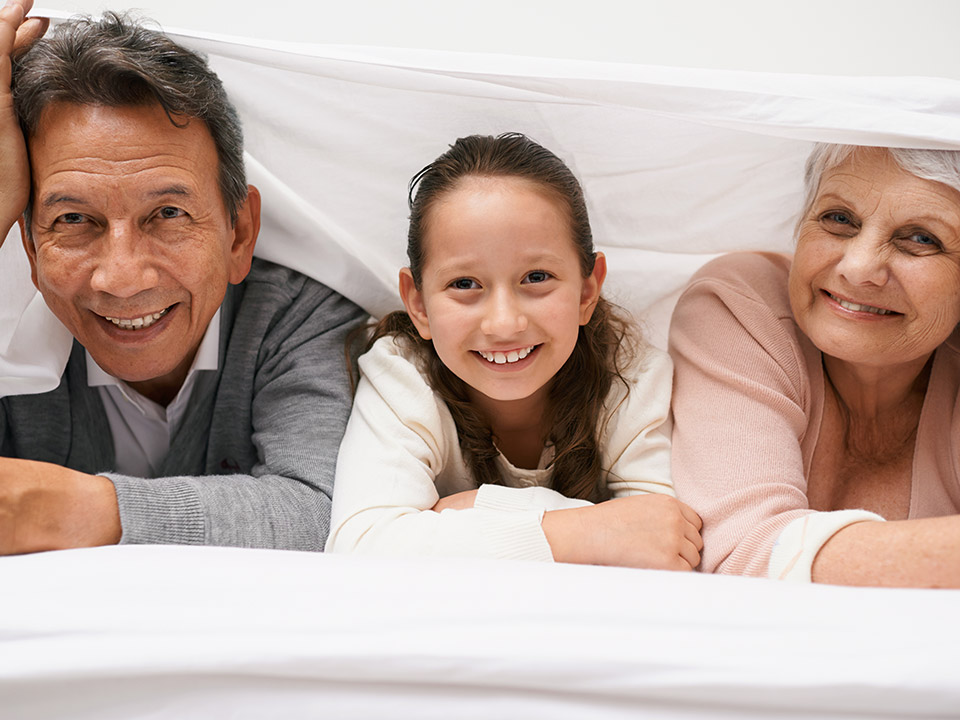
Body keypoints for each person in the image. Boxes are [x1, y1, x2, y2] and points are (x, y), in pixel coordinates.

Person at [0, 2, 366, 553]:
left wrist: (73, 510)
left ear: (240, 234)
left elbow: (329, 512)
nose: (122, 279)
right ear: (28, 247)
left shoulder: (300, 319)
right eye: (73, 220)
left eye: (168, 214)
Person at [326, 133, 702, 569]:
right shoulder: (404, 374)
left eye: (536, 277)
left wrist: (460, 511)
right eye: (464, 284)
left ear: (586, 291)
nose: (504, 323)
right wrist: (589, 530)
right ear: (418, 304)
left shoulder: (634, 381)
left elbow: (665, 542)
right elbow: (359, 550)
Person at [669, 143, 960, 587]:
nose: (859, 268)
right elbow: (739, 556)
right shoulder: (743, 302)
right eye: (839, 219)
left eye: (921, 238)